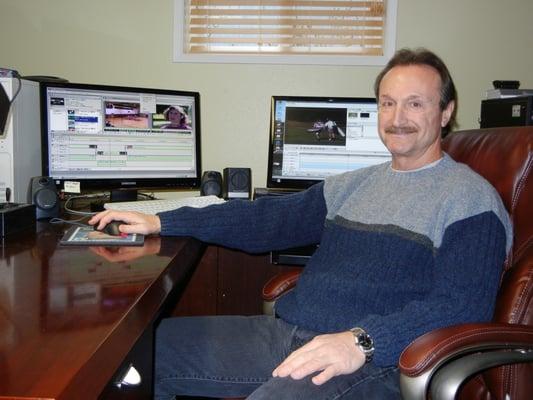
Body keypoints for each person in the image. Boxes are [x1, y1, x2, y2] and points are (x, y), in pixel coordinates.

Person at [89, 48, 512, 400]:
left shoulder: (468, 199)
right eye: (388, 102)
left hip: (371, 363)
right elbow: (267, 219)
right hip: (286, 335)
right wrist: (160, 220)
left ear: (445, 111)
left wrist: (362, 341)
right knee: (131, 357)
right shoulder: (354, 185)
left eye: (415, 103)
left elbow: (461, 305)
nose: (398, 117)